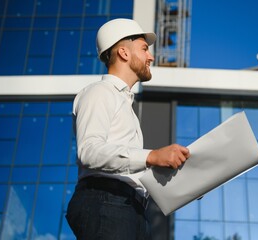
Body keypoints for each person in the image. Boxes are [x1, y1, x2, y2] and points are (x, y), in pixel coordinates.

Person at [66, 18, 190, 240]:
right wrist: (152, 156)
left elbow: (129, 169)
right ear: (123, 53)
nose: (151, 56)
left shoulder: (126, 106)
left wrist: (189, 183)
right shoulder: (100, 92)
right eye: (144, 49)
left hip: (129, 209)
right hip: (107, 202)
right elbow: (89, 151)